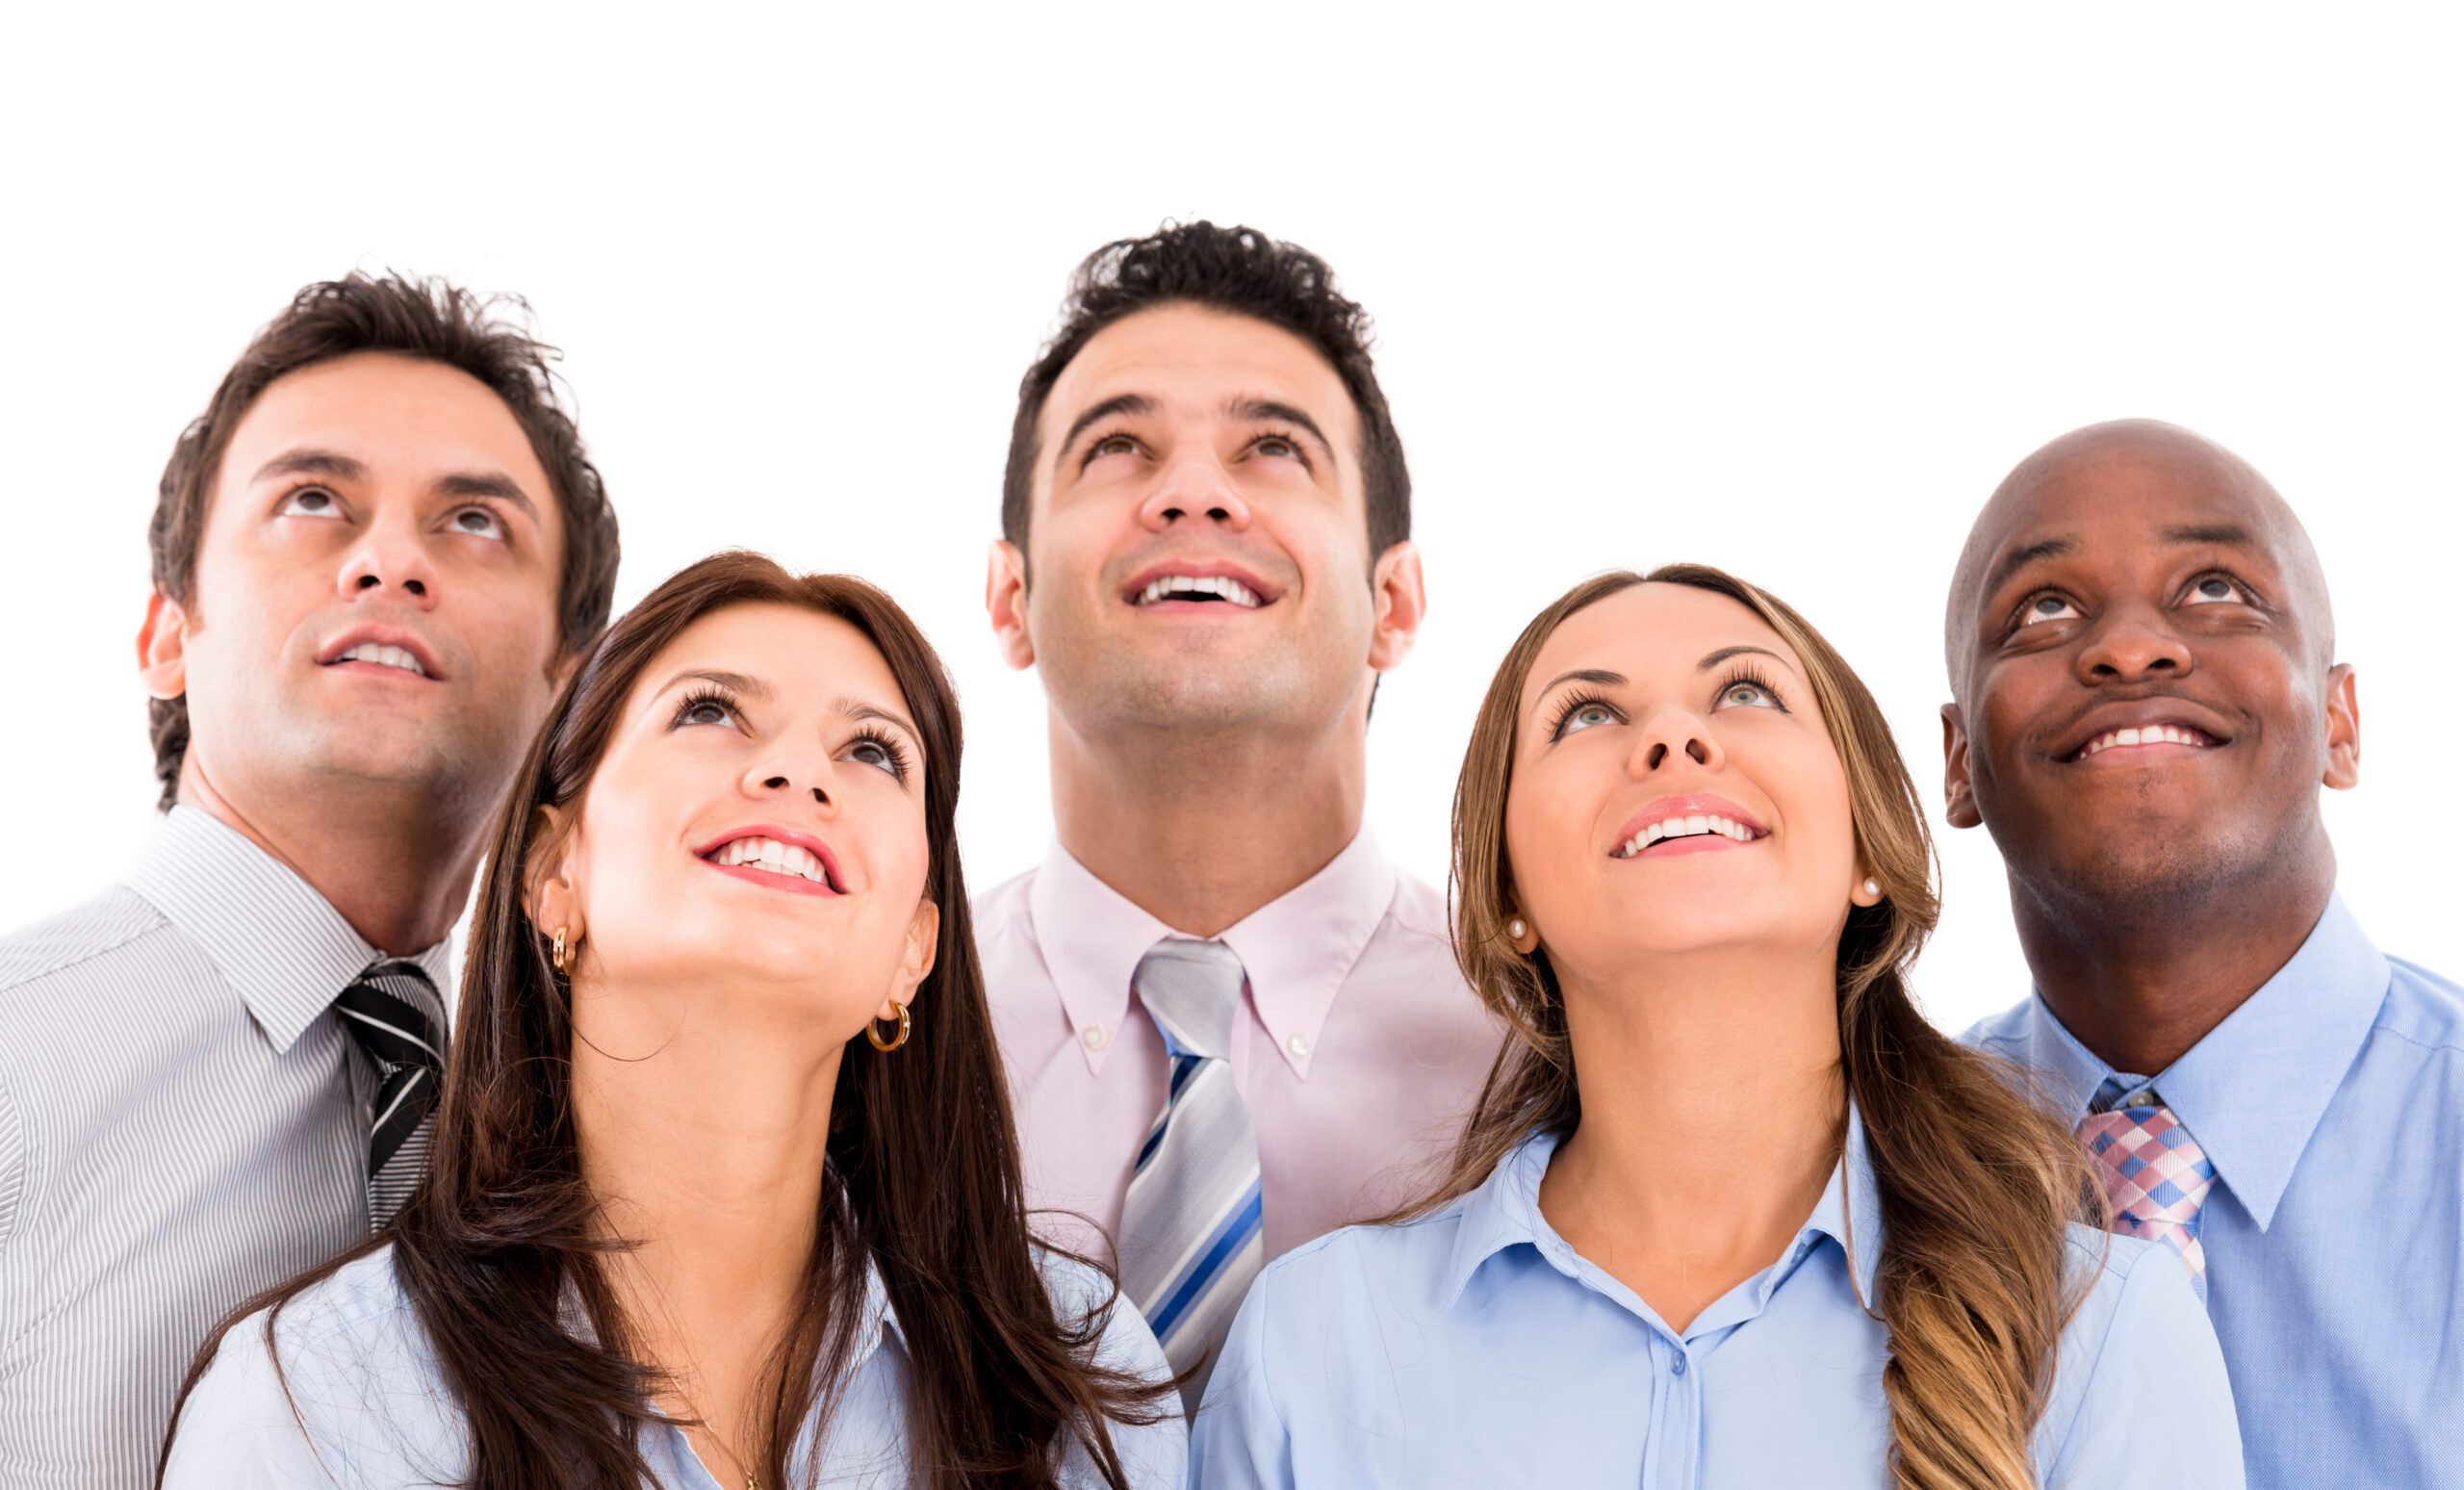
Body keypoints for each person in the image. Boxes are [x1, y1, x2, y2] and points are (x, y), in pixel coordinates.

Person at [1194, 565, 2246, 1488]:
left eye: (1744, 692)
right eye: (1584, 717)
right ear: (1506, 898)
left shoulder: (2105, 1331)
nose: (1670, 735)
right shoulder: (1317, 1342)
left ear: (1865, 851)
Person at [159, 552, 1185, 1488]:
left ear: (911, 955)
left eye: (873, 750)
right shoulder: (313, 1405)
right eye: (709, 713)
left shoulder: (1080, 1389)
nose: (796, 773)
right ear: (554, 871)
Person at [0, 273, 619, 1486]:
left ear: (574, 686)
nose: (390, 559)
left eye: (475, 521)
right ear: (168, 636)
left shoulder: (607, 1135)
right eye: (314, 500)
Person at [976, 221, 1498, 1400]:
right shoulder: (865, 1044)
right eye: (1117, 447)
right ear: (1010, 599)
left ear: (1395, 603)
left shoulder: (1547, 1059)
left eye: (1271, 448)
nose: (1194, 494)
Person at [1944, 419, 2464, 1490]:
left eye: (2215, 590)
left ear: (2339, 722)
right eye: (2044, 607)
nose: (2130, 648)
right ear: (1956, 764)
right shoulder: (1869, 1176)